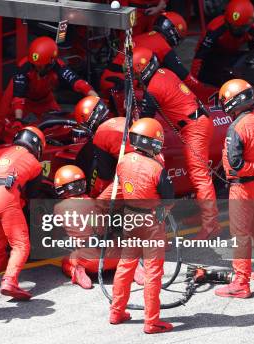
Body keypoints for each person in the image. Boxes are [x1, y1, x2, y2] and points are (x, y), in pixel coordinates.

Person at [133, 47, 220, 239]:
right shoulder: (165, 72)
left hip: (194, 126)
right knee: (196, 173)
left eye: (136, 74)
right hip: (198, 121)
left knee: (199, 176)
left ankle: (211, 224)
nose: (136, 79)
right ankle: (204, 216)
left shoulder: (153, 89)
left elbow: (145, 119)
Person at [106, 117, 174, 334]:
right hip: (151, 222)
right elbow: (169, 199)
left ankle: (116, 312)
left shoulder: (123, 161)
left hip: (130, 218)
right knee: (153, 272)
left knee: (125, 266)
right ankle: (152, 321)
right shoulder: (157, 168)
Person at [215, 79, 254, 298]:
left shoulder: (237, 127)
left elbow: (236, 165)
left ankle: (241, 282)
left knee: (240, 235)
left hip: (243, 189)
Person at [0, 36, 96, 151]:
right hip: (19, 96)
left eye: (40, 66)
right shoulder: (24, 68)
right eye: (35, 65)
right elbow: (18, 97)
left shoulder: (59, 67)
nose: (37, 68)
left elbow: (78, 83)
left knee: (60, 125)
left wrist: (96, 98)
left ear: (51, 62)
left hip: (44, 99)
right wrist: (18, 119)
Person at [0, 126, 45, 300]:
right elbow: (33, 194)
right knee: (21, 245)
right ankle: (10, 280)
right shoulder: (35, 163)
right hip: (4, 198)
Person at [100, 12, 207, 105]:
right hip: (123, 86)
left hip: (110, 81)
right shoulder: (162, 45)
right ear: (173, 33)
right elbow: (185, 77)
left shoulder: (144, 37)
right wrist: (206, 90)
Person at [54, 165, 121, 289]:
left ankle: (77, 272)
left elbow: (57, 235)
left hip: (90, 261)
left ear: (61, 188)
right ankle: (133, 268)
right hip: (115, 256)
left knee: (66, 260)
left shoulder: (59, 208)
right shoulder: (95, 202)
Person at [72, 96, 134, 198]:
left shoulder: (101, 134)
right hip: (152, 165)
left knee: (98, 205)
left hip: (135, 173)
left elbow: (105, 175)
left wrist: (93, 195)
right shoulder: (121, 119)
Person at [191, 0, 254, 87]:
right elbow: (199, 56)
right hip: (212, 56)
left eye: (241, 28)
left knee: (249, 59)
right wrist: (193, 82)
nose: (236, 30)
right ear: (227, 22)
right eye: (233, 27)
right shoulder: (215, 29)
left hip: (231, 56)